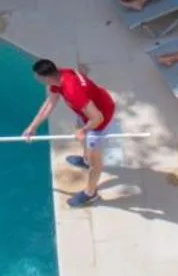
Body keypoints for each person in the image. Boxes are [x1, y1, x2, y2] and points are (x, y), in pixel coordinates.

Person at [22, 58, 115, 208]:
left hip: (100, 121)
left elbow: (98, 118)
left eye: (38, 77)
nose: (36, 79)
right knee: (84, 140)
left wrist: (84, 130)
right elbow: (49, 104)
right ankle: (85, 161)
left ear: (47, 78)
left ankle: (90, 193)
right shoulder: (61, 75)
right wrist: (32, 127)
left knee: (95, 163)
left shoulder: (72, 91)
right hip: (89, 112)